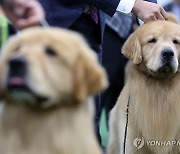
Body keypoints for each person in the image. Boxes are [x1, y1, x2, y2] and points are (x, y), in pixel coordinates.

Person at [0, 0, 168, 145]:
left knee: (87, 126)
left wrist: (155, 18)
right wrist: (134, 4)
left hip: (90, 29)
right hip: (45, 23)